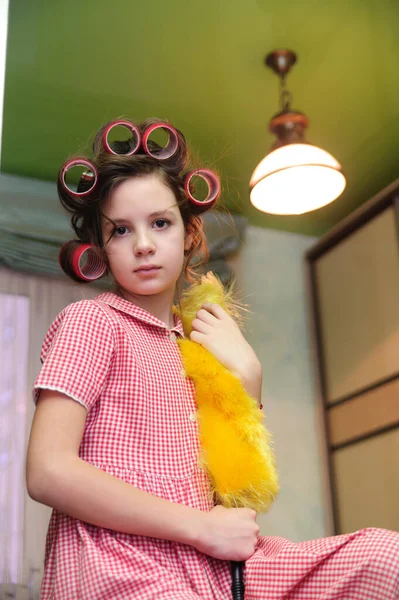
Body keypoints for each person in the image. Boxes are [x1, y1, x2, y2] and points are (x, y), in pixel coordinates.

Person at [26, 118, 399, 600]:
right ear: (101, 247)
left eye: (160, 222)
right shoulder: (92, 322)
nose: (143, 244)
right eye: (121, 230)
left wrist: (248, 375)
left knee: (384, 560)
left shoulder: (201, 347)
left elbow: (238, 496)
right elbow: (47, 471)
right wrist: (199, 528)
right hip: (121, 564)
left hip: (214, 568)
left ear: (189, 232)